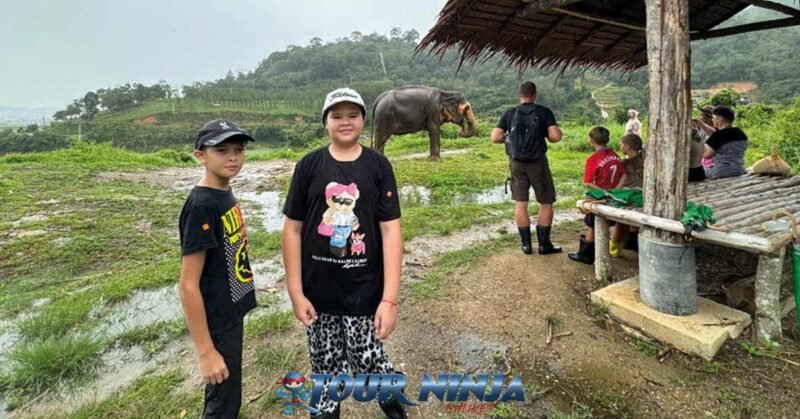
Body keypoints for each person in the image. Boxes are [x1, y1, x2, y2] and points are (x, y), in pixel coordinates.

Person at [282, 88, 406, 419]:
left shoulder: (378, 165)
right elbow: (292, 230)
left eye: (352, 115)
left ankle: (391, 401)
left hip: (365, 288)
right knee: (325, 361)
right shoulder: (309, 166)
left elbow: (390, 230)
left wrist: (389, 299)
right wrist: (295, 291)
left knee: (366, 356)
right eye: (337, 116)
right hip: (318, 291)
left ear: (364, 120)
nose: (345, 122)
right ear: (326, 123)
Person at [178, 119, 257, 418]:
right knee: (222, 404)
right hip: (217, 319)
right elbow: (187, 285)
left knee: (230, 397)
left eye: (239, 149)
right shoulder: (201, 205)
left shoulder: (223, 192)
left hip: (230, 312)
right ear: (201, 155)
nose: (233, 157)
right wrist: (206, 352)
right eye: (222, 150)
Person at [491, 81, 563, 255]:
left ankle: (526, 245)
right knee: (546, 202)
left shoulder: (510, 113)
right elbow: (555, 136)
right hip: (538, 163)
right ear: (535, 94)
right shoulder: (543, 112)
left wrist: (509, 139)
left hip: (516, 163)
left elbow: (495, 137)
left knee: (521, 203)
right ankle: (544, 246)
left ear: (520, 94)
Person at [568, 127, 627, 265]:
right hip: (614, 195)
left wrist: (603, 193)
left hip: (600, 197)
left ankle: (586, 255)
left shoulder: (593, 159)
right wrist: (615, 191)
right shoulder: (614, 155)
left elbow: (587, 182)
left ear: (591, 141)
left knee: (592, 224)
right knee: (609, 222)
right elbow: (624, 174)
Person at [609, 134, 643, 257]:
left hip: (628, 195)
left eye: (621, 144)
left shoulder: (623, 163)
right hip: (642, 193)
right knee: (634, 222)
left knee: (620, 222)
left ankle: (614, 248)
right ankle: (633, 242)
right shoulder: (643, 159)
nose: (620, 146)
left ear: (627, 147)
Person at [699, 106, 748, 179]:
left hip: (719, 171)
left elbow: (705, 154)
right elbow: (714, 134)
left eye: (713, 117)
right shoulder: (740, 133)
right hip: (738, 169)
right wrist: (699, 122)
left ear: (719, 118)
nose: (712, 120)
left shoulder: (719, 136)